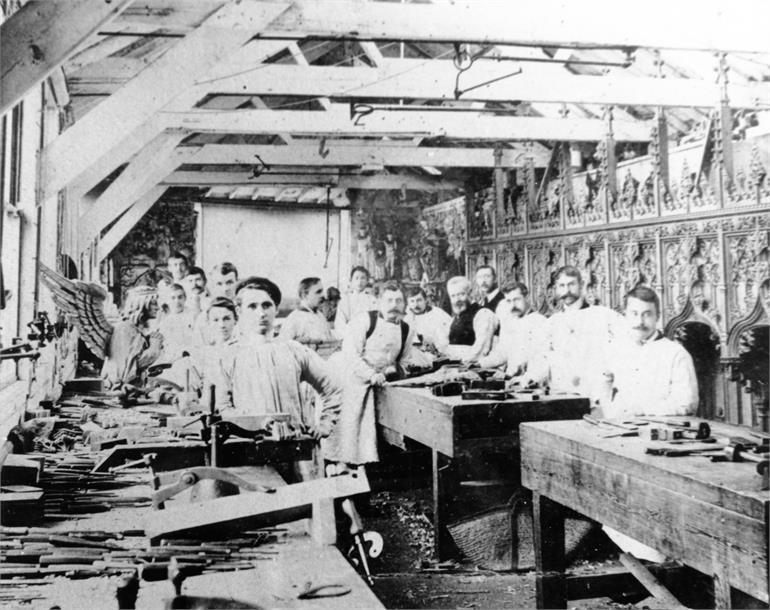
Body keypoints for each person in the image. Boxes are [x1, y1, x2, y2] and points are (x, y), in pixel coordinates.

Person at [216, 277, 340, 443]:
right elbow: (224, 407)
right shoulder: (230, 356)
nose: (261, 313)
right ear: (239, 311)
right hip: (251, 449)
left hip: (295, 448)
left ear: (275, 309)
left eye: (267, 305)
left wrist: (324, 424)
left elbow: (332, 387)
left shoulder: (294, 350)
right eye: (252, 306)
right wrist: (257, 424)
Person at [332, 282, 421, 465]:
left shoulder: (406, 329)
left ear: (404, 304)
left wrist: (399, 374)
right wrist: (371, 374)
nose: (393, 305)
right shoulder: (364, 321)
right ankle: (342, 465)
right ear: (379, 302)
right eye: (388, 300)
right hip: (351, 376)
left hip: (378, 381)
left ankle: (371, 468)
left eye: (398, 300)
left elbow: (403, 360)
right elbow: (350, 354)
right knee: (348, 426)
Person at [599, 286, 698, 419]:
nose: (640, 322)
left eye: (647, 314)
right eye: (634, 313)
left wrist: (642, 410)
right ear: (625, 315)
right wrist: (609, 409)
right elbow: (603, 380)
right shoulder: (616, 348)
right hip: (620, 428)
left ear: (657, 316)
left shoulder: (676, 354)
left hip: (660, 431)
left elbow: (687, 404)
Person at [535, 266, 623, 402]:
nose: (567, 290)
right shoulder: (552, 323)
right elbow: (543, 359)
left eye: (571, 284)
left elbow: (621, 351)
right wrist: (530, 378)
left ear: (581, 285)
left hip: (595, 393)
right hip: (562, 393)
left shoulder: (604, 315)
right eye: (562, 286)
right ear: (556, 289)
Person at [478, 282, 548, 377]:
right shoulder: (511, 322)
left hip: (529, 380)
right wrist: (480, 364)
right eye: (509, 301)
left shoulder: (539, 321)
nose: (513, 305)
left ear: (527, 298)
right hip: (510, 379)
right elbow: (502, 353)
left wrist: (509, 375)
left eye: (516, 299)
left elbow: (537, 360)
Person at [102, 286, 163, 390]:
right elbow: (129, 368)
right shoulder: (126, 328)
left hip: (134, 388)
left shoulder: (135, 328)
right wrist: (154, 347)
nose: (158, 307)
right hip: (122, 390)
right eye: (153, 303)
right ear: (140, 304)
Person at [445, 275, 496, 363]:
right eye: (453, 296)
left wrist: (459, 362)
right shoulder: (455, 319)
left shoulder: (483, 314)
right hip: (456, 366)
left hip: (474, 366)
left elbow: (481, 350)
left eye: (461, 294)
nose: (457, 300)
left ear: (470, 293)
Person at [280, 277, 338, 345]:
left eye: (322, 291)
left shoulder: (320, 316)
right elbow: (283, 348)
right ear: (304, 295)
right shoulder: (293, 319)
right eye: (318, 292)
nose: (323, 295)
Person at [403, 286, 451, 354]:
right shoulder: (407, 319)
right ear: (408, 304)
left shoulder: (438, 313)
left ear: (425, 300)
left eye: (419, 300)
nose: (415, 305)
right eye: (412, 301)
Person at [156, 283, 196, 363]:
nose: (177, 301)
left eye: (180, 297)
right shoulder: (165, 323)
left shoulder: (193, 316)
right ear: (168, 300)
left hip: (194, 358)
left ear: (185, 298)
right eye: (173, 298)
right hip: (175, 361)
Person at [334, 266, 378, 335]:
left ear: (367, 281)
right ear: (351, 280)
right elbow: (340, 323)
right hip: (349, 335)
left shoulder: (372, 300)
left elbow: (376, 321)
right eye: (356, 278)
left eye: (363, 278)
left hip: (368, 335)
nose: (359, 281)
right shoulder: (345, 300)